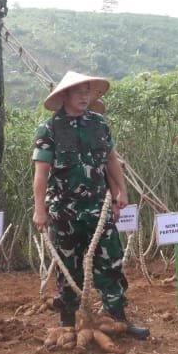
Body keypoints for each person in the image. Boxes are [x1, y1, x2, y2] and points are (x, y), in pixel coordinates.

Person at [31, 72, 150, 338]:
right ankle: (68, 324)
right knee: (68, 265)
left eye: (88, 91)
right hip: (64, 210)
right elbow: (41, 173)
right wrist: (40, 209)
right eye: (79, 92)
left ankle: (118, 318)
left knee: (110, 262)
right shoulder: (49, 129)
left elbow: (111, 160)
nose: (85, 96)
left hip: (98, 206)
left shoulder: (99, 124)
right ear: (65, 96)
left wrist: (122, 192)